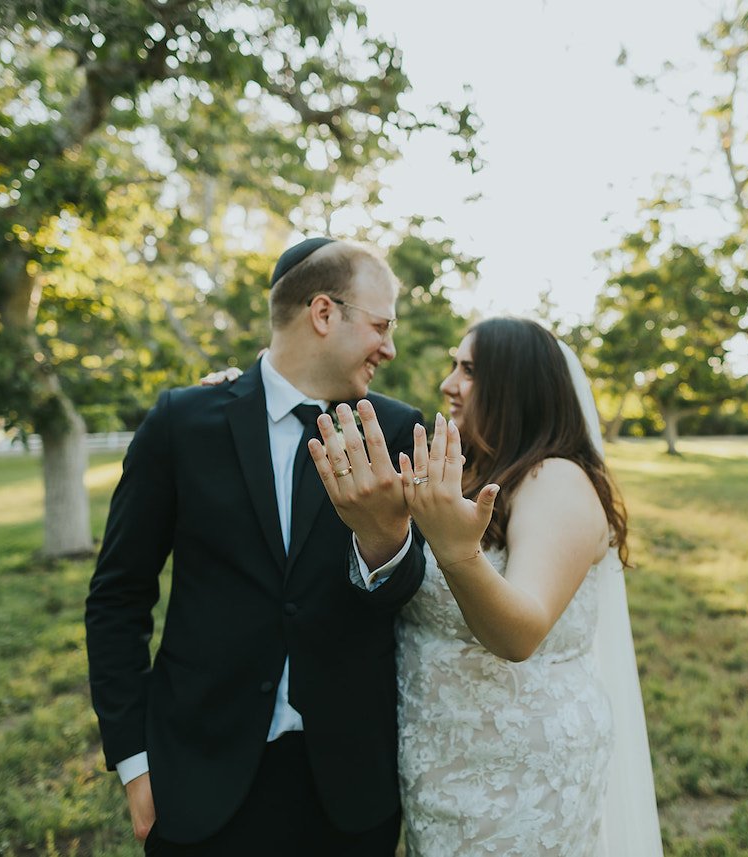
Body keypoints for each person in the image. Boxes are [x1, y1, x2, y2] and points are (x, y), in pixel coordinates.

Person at [85, 237, 427, 855]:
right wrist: (135, 763)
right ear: (323, 314)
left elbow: (405, 593)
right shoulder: (181, 424)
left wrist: (384, 538)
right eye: (380, 326)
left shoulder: (398, 430)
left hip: (349, 792)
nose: (390, 348)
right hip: (202, 780)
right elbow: (118, 597)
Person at [305, 317, 662, 856]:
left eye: (468, 370)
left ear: (519, 385)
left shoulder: (556, 480)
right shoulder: (465, 470)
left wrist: (458, 552)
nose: (448, 383)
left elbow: (521, 634)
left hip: (520, 775)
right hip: (441, 761)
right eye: (454, 365)